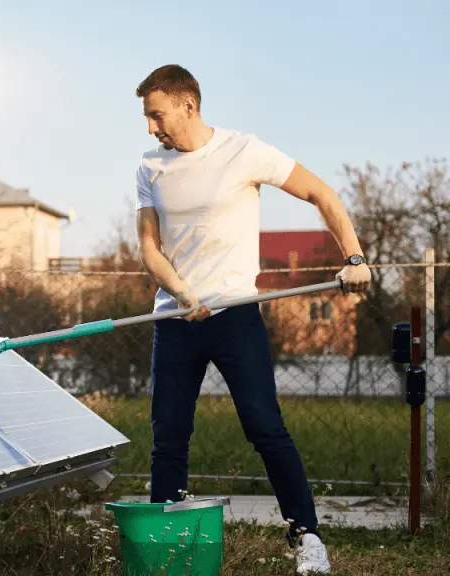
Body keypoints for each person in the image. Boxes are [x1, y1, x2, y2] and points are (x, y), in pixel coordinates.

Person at [132, 64, 372, 575]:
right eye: (148, 119)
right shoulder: (150, 165)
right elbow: (149, 249)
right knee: (168, 435)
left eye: (157, 115)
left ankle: (307, 537)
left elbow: (322, 195)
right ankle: (167, 546)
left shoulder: (244, 151)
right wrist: (180, 291)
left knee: (265, 426)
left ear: (187, 104)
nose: (152, 128)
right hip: (176, 318)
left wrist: (353, 257)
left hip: (236, 314)